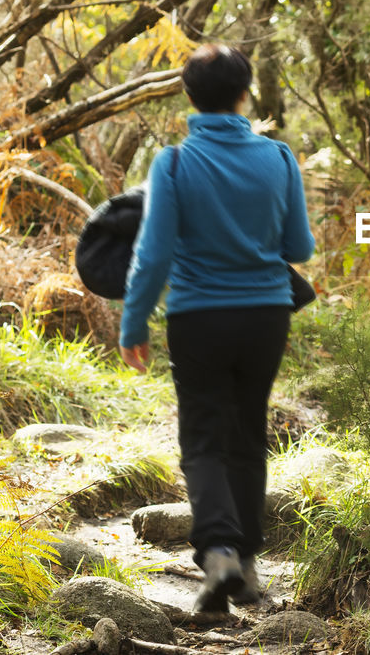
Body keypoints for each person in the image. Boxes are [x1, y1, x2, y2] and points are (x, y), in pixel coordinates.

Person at [119, 44, 315, 613]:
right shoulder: (278, 158)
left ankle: (218, 554)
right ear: (246, 93)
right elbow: (299, 246)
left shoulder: (174, 164)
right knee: (248, 437)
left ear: (189, 97)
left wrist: (134, 322)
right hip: (264, 316)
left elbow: (152, 257)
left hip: (197, 317)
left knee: (203, 437)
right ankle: (246, 569)